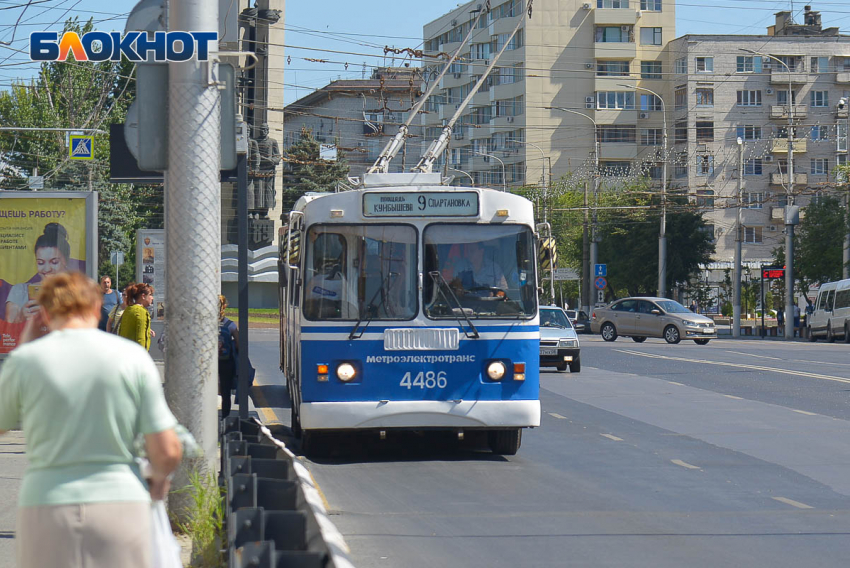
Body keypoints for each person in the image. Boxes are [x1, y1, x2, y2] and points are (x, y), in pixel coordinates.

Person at [0, 271, 182, 568]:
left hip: (47, 504)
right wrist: (158, 480)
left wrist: (26, 347)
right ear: (98, 307)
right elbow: (167, 451)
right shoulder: (132, 358)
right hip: (121, 503)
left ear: (44, 313)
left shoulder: (27, 361)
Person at [5, 223, 71, 323]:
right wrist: (22, 316)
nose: (47, 269)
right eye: (40, 262)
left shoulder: (75, 292)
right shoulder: (20, 291)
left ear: (65, 261)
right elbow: (8, 330)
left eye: (54, 262)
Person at [218, 295, 239, 417]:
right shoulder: (230, 325)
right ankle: (225, 415)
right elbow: (239, 343)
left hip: (208, 362)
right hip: (226, 362)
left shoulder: (204, 322)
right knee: (226, 390)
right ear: (224, 306)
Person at [118, 283, 156, 350]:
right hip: (136, 355)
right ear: (143, 296)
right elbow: (141, 338)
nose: (152, 298)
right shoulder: (141, 312)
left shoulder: (129, 309)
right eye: (150, 295)